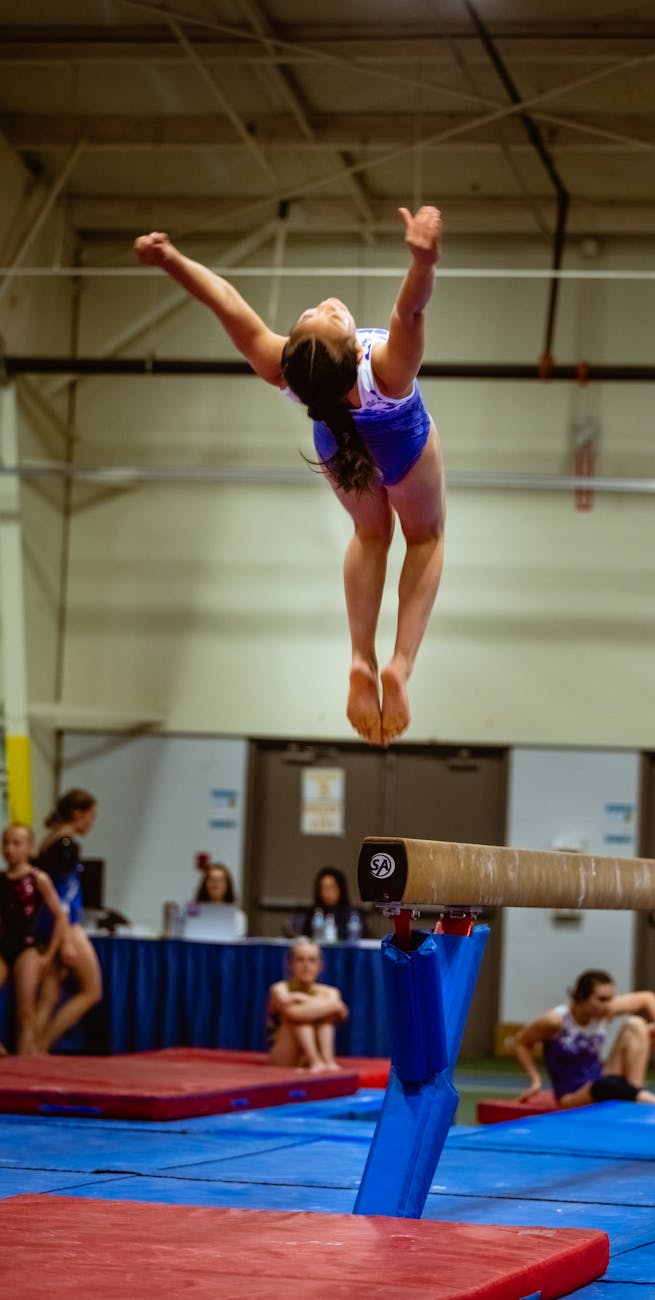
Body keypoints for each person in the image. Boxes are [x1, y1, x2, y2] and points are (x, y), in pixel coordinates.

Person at [134, 205, 445, 748]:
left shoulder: (283, 367)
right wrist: (423, 261)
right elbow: (410, 312)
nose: (326, 304)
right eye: (331, 316)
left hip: (335, 446)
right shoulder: (387, 370)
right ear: (355, 352)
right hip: (400, 441)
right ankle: (397, 664)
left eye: (312, 312)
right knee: (424, 535)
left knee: (371, 534)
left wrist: (171, 261)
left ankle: (359, 657)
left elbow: (223, 301)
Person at [513, 969, 655, 1108]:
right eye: (602, 999)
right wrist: (535, 1080)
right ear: (582, 997)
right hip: (571, 1095)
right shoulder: (555, 1021)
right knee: (602, 1086)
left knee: (636, 1024)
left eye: (610, 999)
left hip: (600, 1078)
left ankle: (634, 1093)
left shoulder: (604, 1011)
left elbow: (648, 998)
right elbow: (520, 1042)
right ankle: (654, 1101)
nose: (609, 1005)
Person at [32, 789, 103, 1052]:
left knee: (49, 994)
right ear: (77, 814)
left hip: (52, 923)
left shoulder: (50, 842)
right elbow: (62, 893)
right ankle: (41, 1044)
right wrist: (65, 941)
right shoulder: (66, 845)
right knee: (91, 991)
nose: (91, 823)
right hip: (65, 926)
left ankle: (31, 1048)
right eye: (91, 817)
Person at [0, 824, 67, 1055]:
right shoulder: (1, 880)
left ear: (30, 848)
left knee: (25, 1011)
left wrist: (50, 953)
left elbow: (60, 916)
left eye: (16, 843)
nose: (10, 849)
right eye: (6, 843)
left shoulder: (39, 879)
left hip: (27, 947)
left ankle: (25, 1061)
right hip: (2, 946)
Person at [266, 937, 348, 1071]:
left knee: (324, 1017)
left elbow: (343, 1014)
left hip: (307, 1056)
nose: (306, 966)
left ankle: (327, 1061)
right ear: (290, 964)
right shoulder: (279, 989)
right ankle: (315, 1060)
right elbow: (295, 1014)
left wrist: (300, 998)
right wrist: (332, 1006)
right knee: (298, 1017)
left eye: (312, 960)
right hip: (285, 1055)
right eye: (300, 960)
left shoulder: (329, 992)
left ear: (320, 965)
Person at [298, 866, 367, 942]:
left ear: (340, 889)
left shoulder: (352, 915)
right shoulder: (313, 914)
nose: (327, 893)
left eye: (331, 887)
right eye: (323, 888)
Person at [194, 861, 247, 937]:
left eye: (221, 880)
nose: (216, 884)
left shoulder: (238, 916)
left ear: (228, 885)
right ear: (205, 884)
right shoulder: (193, 914)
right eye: (212, 880)